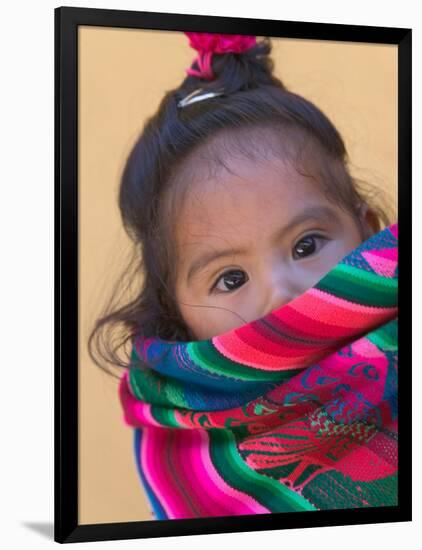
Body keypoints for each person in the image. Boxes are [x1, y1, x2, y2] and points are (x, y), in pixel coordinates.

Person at [88, 33, 398, 520]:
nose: (281, 293)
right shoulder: (191, 455)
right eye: (230, 279)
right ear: (178, 315)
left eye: (306, 245)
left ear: (369, 231)